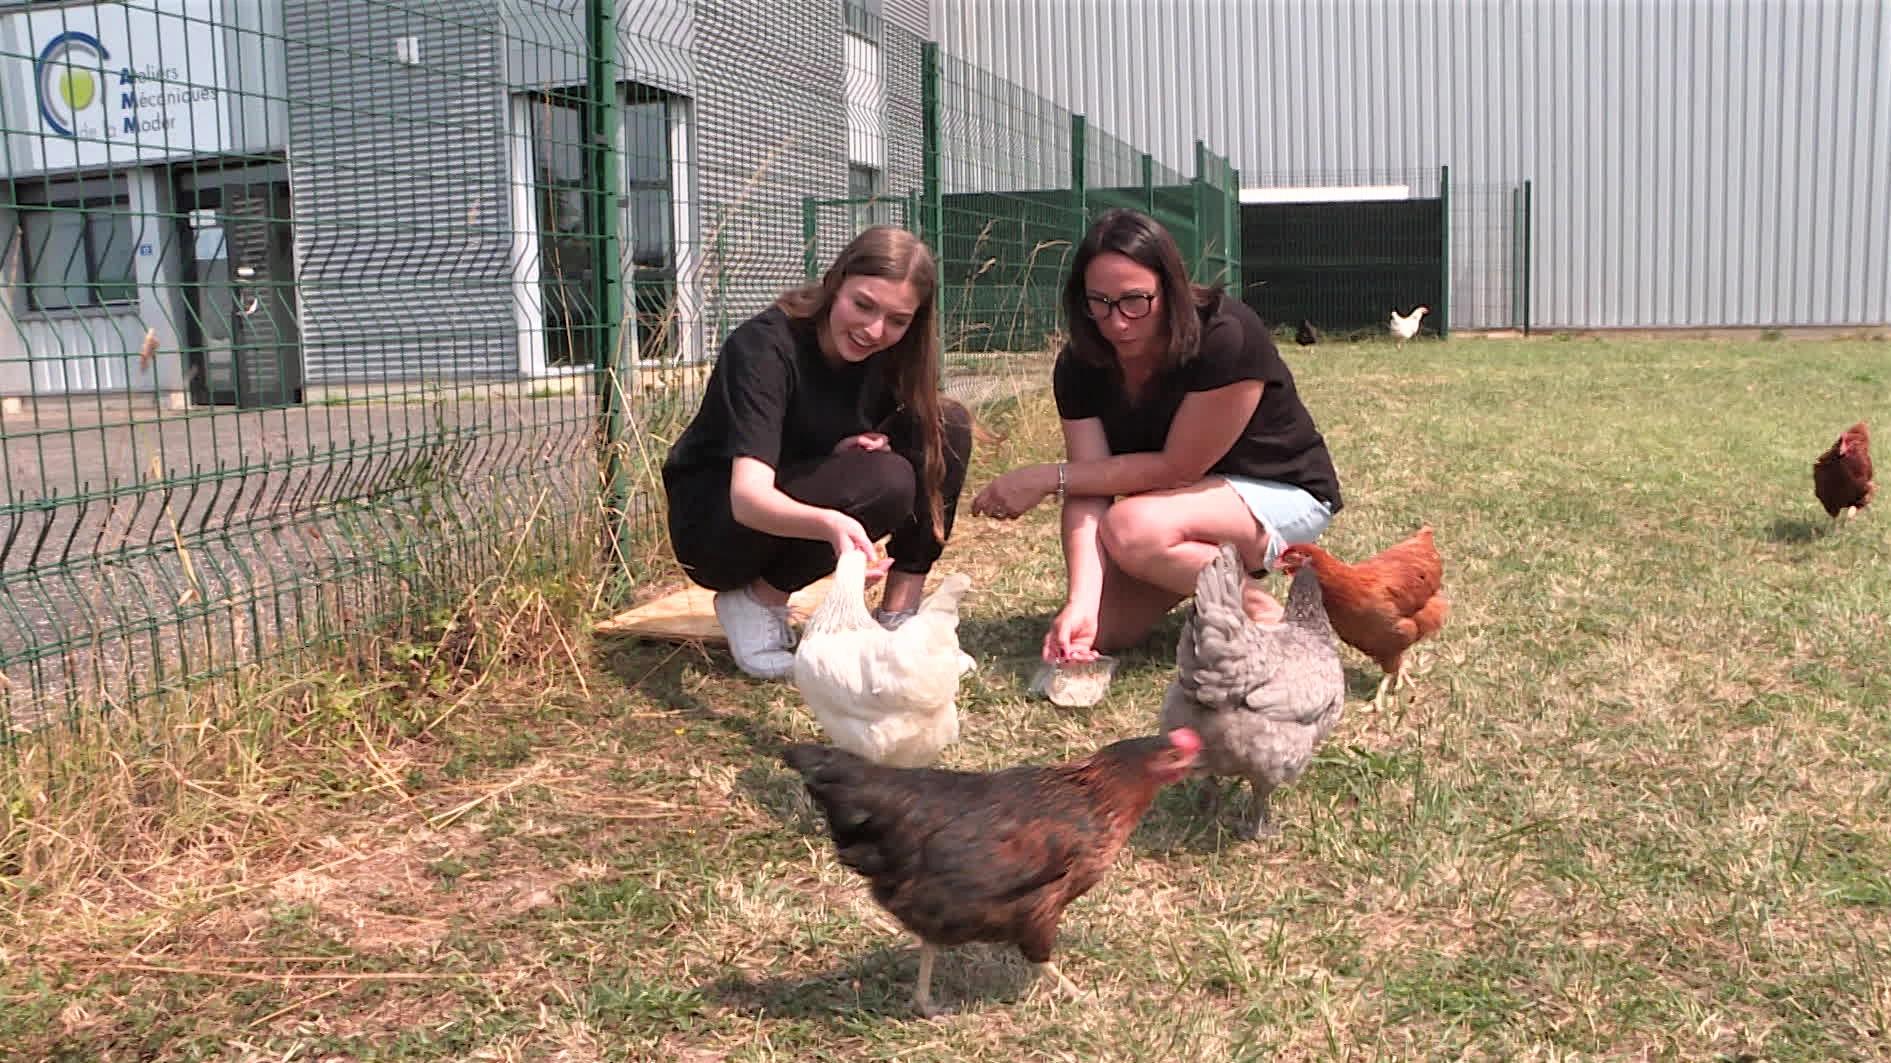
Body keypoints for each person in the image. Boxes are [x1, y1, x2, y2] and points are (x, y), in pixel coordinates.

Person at [971, 208, 1341, 664]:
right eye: (1099, 302)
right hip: (1182, 506)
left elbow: (1178, 468)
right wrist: (1081, 601)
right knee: (1103, 630)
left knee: (1130, 529)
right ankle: (1200, 572)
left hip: (1280, 492)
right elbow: (1087, 485)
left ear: (1170, 289)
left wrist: (1045, 476)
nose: (1117, 322)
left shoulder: (1226, 334)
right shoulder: (1080, 364)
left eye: (1134, 300)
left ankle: (1258, 610)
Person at [662, 226, 974, 679]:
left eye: (897, 319)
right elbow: (748, 496)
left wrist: (844, 454)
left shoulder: (888, 356)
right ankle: (755, 602)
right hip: (717, 527)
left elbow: (816, 443)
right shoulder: (764, 347)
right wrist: (831, 523)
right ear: (835, 281)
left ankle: (898, 621)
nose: (874, 330)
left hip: (786, 498)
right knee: (887, 480)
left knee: (946, 427)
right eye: (862, 305)